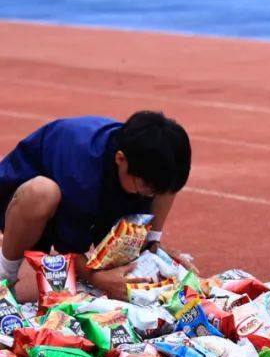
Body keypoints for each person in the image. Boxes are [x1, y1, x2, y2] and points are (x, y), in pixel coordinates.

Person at [0, 112, 191, 299]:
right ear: (120, 159)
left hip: (97, 194)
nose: (151, 197)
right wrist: (97, 278)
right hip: (22, 205)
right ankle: (4, 276)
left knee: (166, 180)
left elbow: (158, 185)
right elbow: (67, 247)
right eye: (146, 188)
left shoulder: (140, 161)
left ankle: (150, 245)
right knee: (42, 192)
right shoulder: (82, 175)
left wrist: (152, 245)